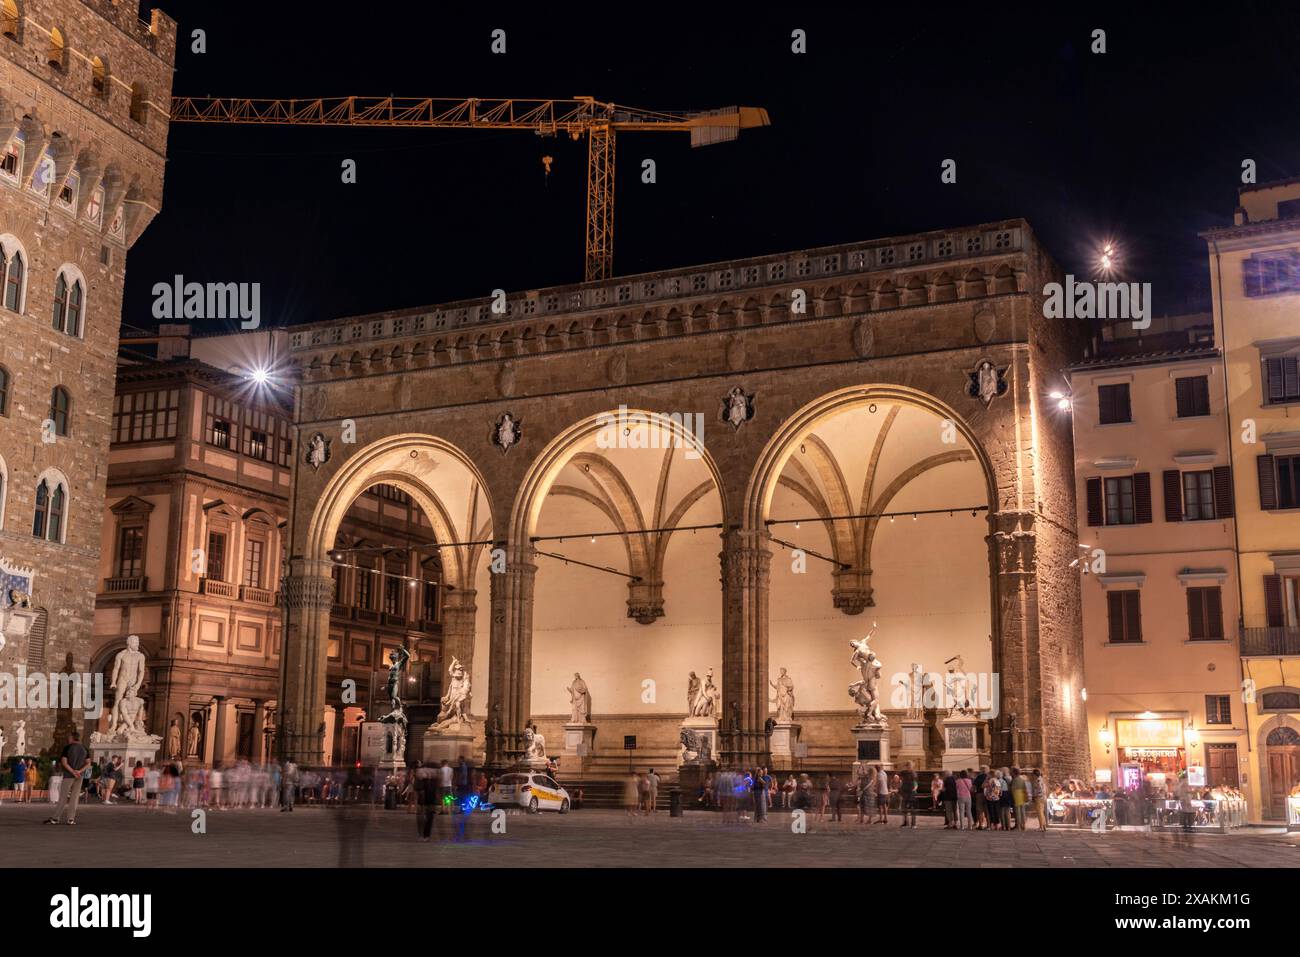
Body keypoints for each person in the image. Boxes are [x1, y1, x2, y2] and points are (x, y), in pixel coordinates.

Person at [46, 731, 90, 825]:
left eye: (69, 737)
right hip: (79, 776)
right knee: (74, 798)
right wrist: (79, 771)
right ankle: (71, 819)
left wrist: (72, 771)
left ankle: (55, 818)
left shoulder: (68, 747)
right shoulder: (84, 748)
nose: (68, 739)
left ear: (72, 738)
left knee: (63, 797)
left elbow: (64, 762)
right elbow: (88, 763)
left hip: (68, 776)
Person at [898, 761, 918, 828]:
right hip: (905, 792)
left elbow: (915, 783)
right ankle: (905, 823)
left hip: (911, 793)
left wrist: (914, 788)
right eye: (907, 765)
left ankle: (914, 824)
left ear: (912, 766)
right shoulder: (904, 772)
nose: (908, 767)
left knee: (913, 809)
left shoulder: (913, 774)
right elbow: (898, 774)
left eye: (910, 765)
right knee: (904, 809)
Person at [1011, 767, 1030, 832]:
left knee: (1017, 811)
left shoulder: (1015, 779)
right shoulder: (1022, 779)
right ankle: (1023, 825)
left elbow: (1012, 789)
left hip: (1016, 795)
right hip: (1022, 795)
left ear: (1014, 773)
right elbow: (1024, 787)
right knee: (1022, 811)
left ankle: (1018, 826)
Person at [974, 765, 989, 829]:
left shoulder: (978, 777)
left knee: (979, 810)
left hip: (979, 794)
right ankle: (988, 825)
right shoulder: (988, 777)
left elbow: (973, 787)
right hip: (988, 795)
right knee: (987, 810)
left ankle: (980, 824)